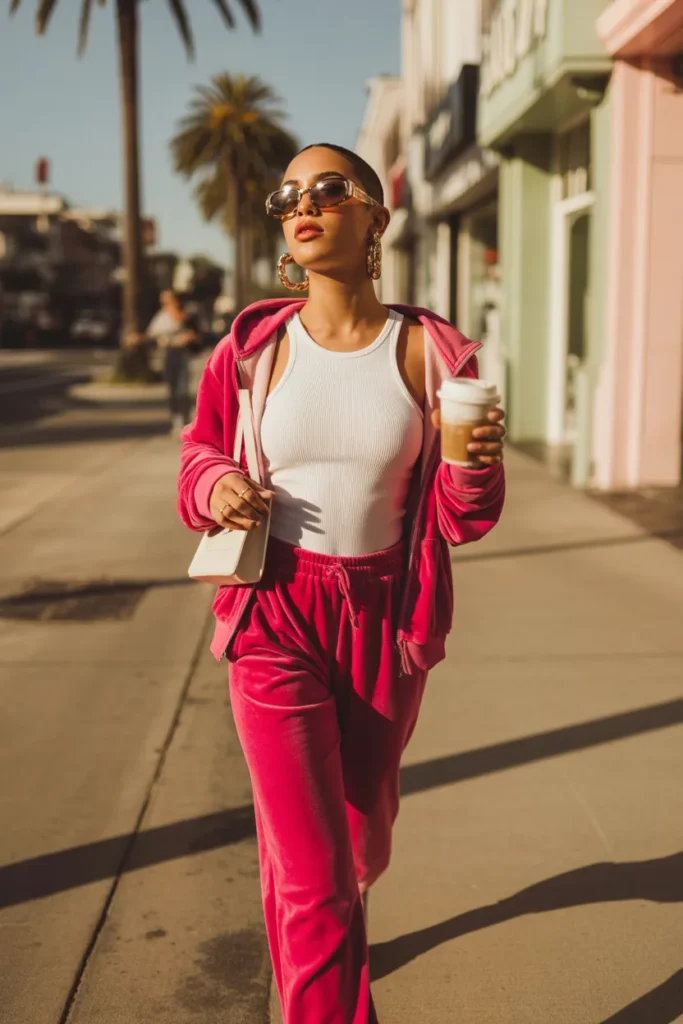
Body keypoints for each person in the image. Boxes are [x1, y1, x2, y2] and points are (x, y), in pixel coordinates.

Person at [177, 144, 506, 1023]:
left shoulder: (430, 355)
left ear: (375, 216)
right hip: (273, 612)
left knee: (358, 845)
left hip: (383, 620)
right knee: (316, 874)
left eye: (329, 188)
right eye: (289, 196)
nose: (303, 205)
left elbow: (462, 518)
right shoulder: (254, 348)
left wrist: (474, 464)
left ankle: (316, 949)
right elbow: (199, 451)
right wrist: (214, 484)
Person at [145, 289, 200, 434]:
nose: (165, 302)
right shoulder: (161, 316)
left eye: (168, 299)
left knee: (182, 389)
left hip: (182, 354)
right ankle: (176, 420)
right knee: (172, 389)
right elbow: (151, 333)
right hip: (168, 354)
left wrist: (187, 337)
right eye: (163, 299)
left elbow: (194, 332)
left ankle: (185, 421)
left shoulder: (184, 314)